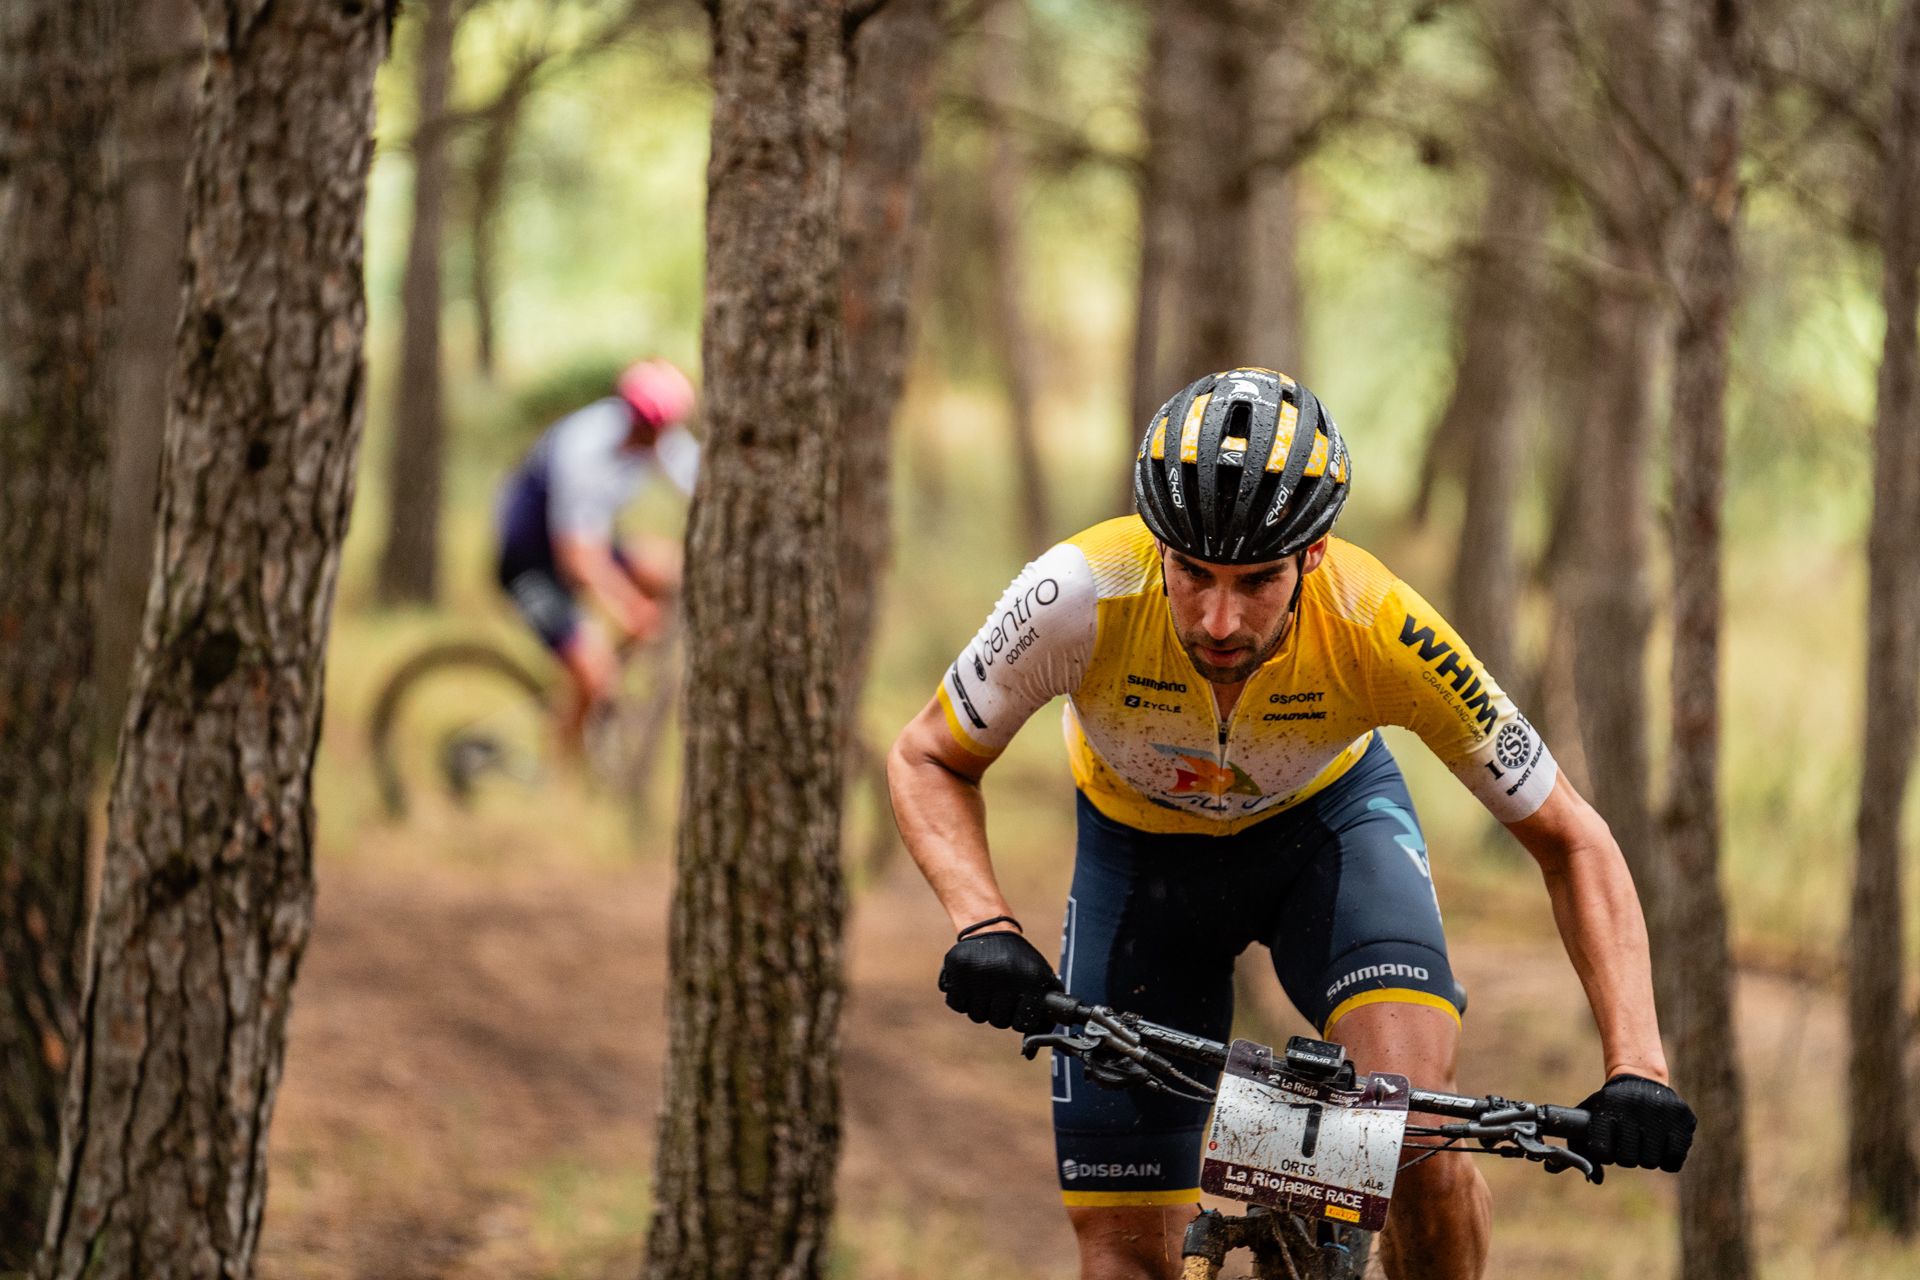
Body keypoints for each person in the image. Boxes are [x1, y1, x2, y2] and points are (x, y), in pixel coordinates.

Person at [886, 368, 1695, 1280]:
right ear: (1156, 544)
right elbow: (929, 757)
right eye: (1192, 573)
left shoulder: (1380, 623)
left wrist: (1639, 1063)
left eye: (1257, 579)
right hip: (1138, 866)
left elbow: (1572, 838)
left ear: (1313, 555)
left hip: (1328, 842)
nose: (1219, 618)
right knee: (1124, 1257)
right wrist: (983, 922)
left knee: (1408, 1136)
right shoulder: (1077, 593)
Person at [494, 358, 699, 750]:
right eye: (645, 428)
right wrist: (629, 606)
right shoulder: (583, 449)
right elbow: (578, 558)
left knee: (673, 571)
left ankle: (615, 686)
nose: (652, 440)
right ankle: (565, 765)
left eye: (658, 431)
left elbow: (696, 478)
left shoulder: (660, 438)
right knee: (595, 674)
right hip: (531, 565)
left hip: (590, 547)